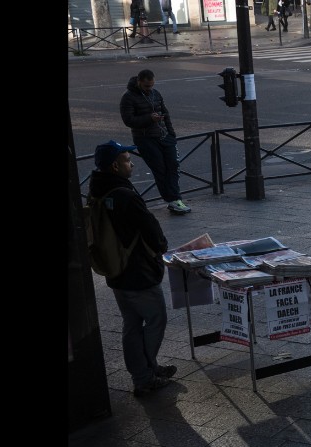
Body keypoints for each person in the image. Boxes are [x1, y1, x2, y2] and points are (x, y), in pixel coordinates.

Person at [88, 141, 176, 397]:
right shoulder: (124, 195)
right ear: (115, 165)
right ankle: (145, 375)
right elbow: (152, 232)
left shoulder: (97, 190)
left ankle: (145, 371)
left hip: (116, 270)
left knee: (132, 322)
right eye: (127, 159)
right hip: (138, 271)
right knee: (156, 318)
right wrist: (160, 248)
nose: (132, 163)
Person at [120, 69, 191, 214]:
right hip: (145, 138)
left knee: (174, 165)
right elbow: (128, 120)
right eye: (147, 86)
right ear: (139, 82)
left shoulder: (156, 93)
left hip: (164, 136)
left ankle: (175, 199)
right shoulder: (128, 97)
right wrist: (149, 119)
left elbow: (166, 113)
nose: (150, 88)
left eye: (152, 85)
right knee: (160, 169)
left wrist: (171, 133)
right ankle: (173, 200)